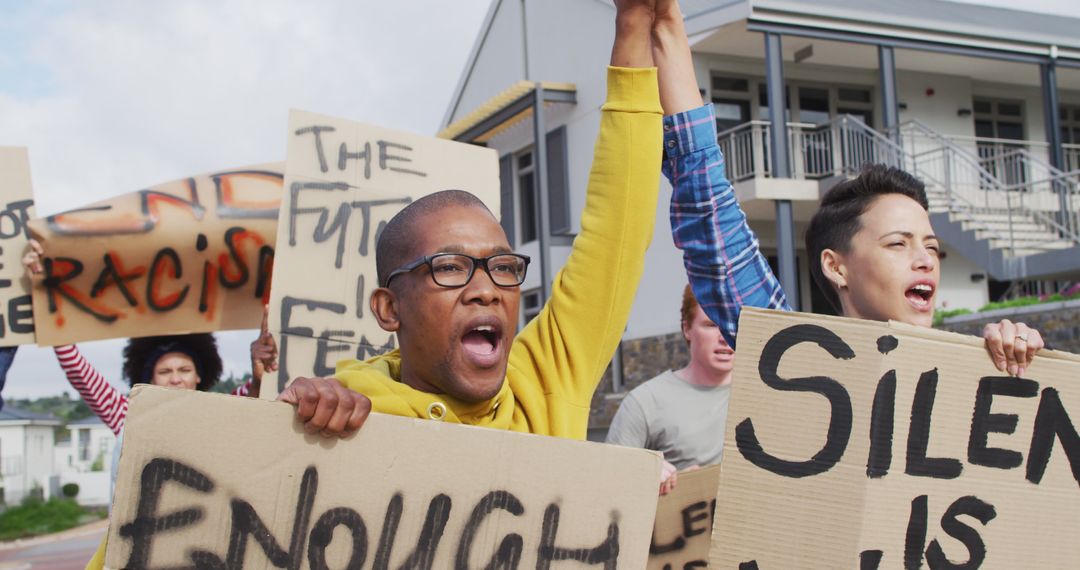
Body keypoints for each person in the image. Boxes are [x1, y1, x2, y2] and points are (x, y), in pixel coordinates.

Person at [275, 0, 698, 445]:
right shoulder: (344, 421)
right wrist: (289, 425)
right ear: (389, 308)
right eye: (450, 267)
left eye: (503, 268)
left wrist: (635, 20)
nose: (487, 290)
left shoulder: (544, 384)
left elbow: (617, 230)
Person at [665, 93, 1044, 374]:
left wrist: (1020, 362)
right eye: (898, 243)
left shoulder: (975, 374)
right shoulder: (800, 369)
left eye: (931, 246)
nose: (926, 259)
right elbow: (711, 216)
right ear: (835, 266)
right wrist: (665, 27)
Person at [607, 285, 733, 494]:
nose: (725, 336)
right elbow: (606, 483)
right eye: (712, 325)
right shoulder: (646, 402)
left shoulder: (767, 397)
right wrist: (643, 476)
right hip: (680, 522)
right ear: (687, 329)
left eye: (733, 325)